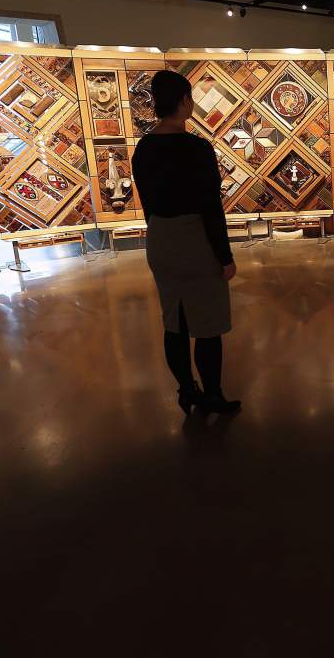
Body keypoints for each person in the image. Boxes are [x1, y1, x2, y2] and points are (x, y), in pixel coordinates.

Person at [132, 70, 240, 415]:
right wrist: (225, 256)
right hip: (195, 238)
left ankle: (186, 390)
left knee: (174, 321)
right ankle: (212, 395)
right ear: (183, 101)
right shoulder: (196, 148)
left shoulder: (144, 148)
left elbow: (148, 202)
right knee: (207, 326)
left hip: (160, 239)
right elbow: (211, 207)